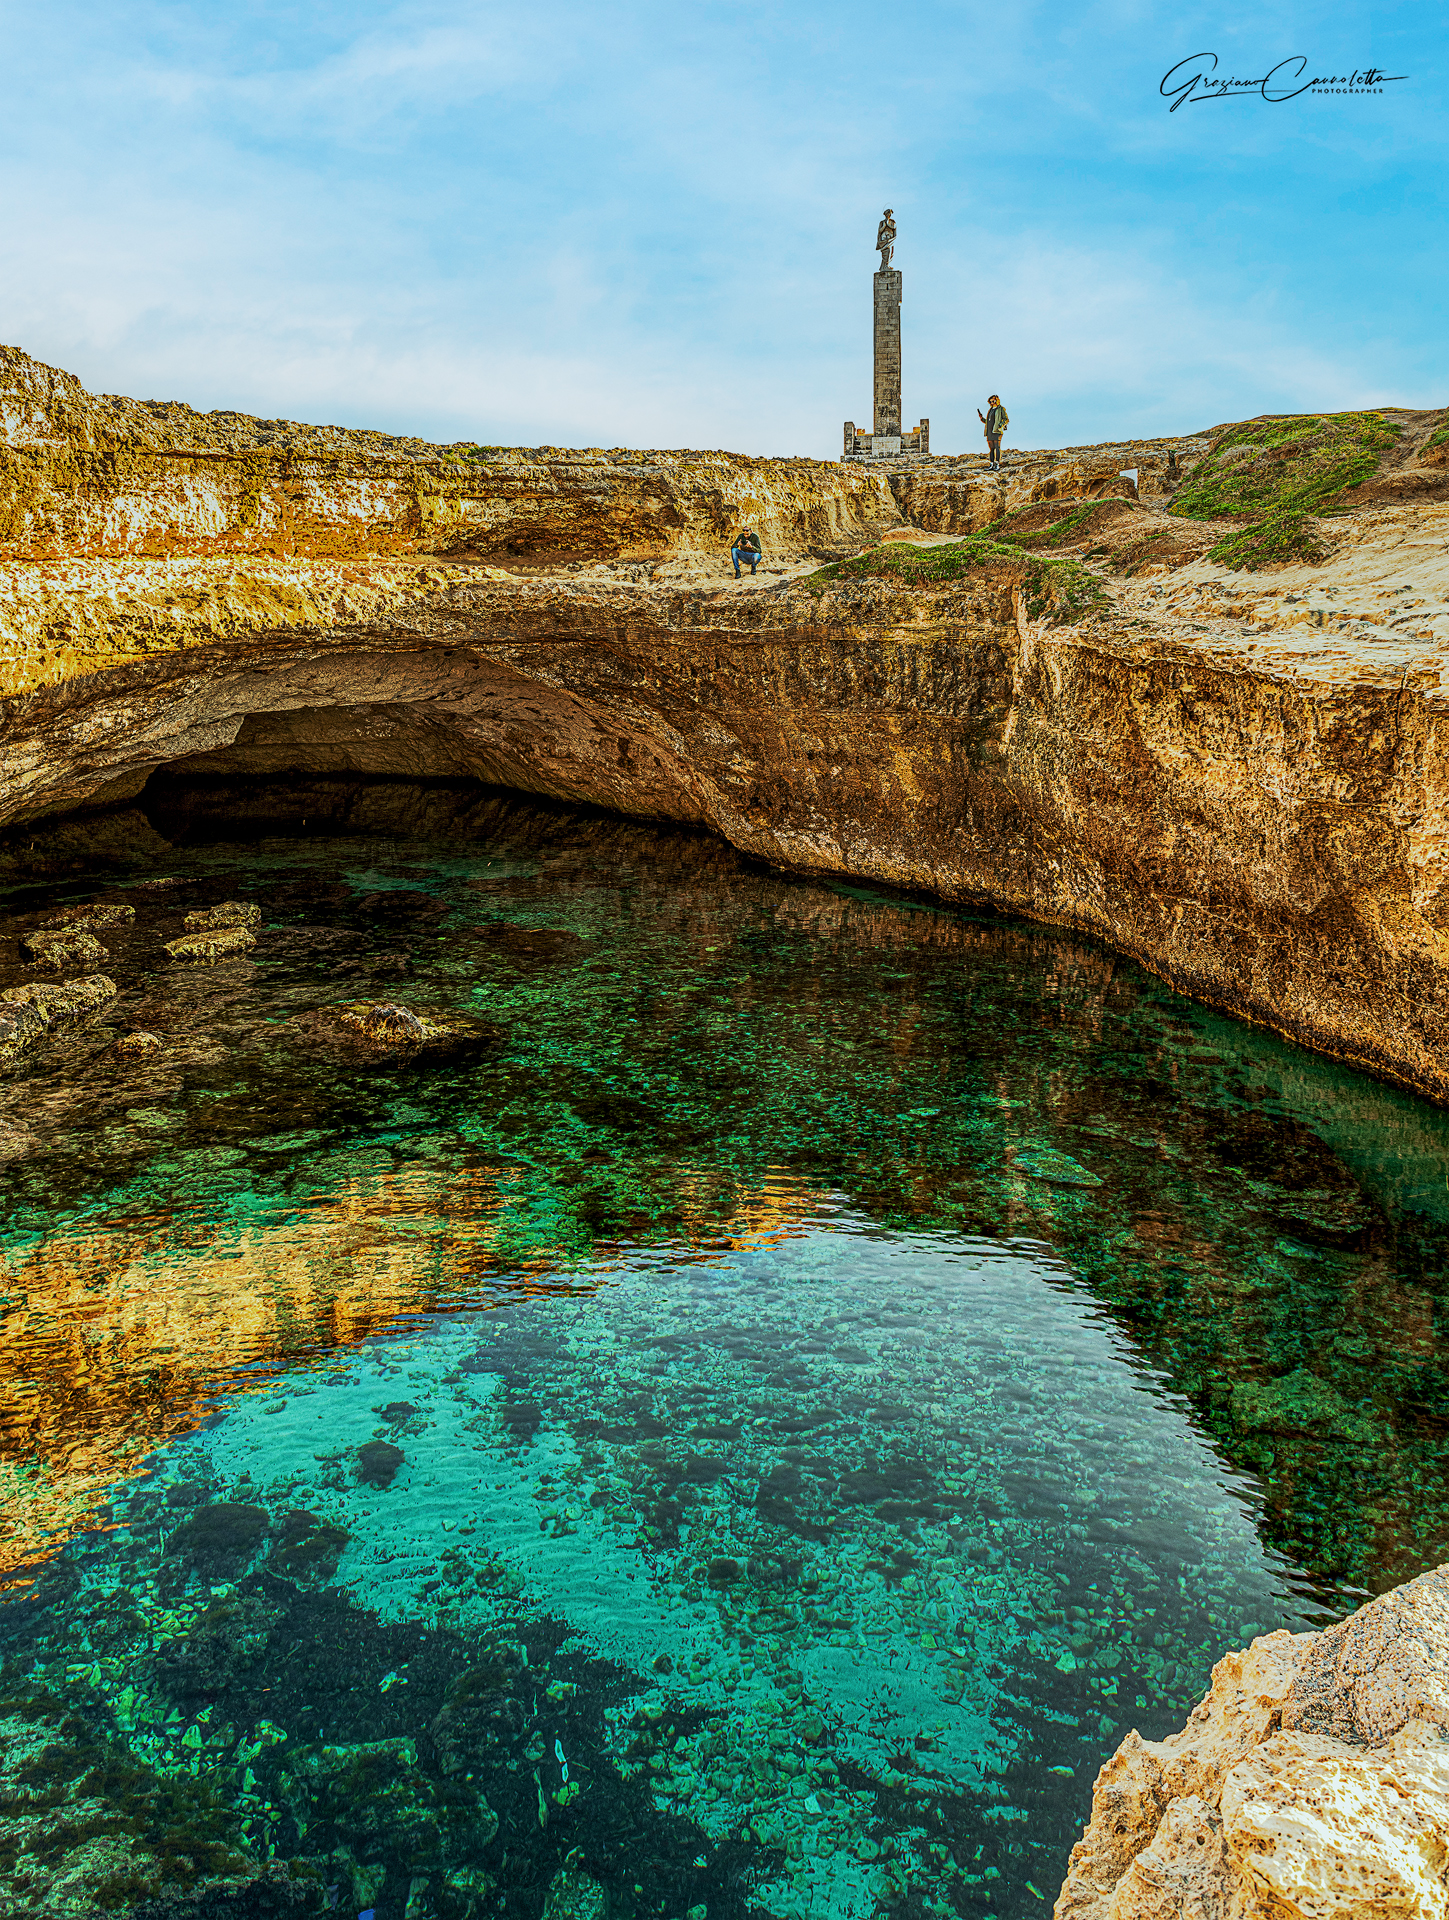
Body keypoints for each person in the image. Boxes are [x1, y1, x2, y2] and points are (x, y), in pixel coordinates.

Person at [977, 395, 1009, 471]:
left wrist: (1000, 425)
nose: (992, 402)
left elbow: (1006, 419)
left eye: (993, 401)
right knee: (991, 448)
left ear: (997, 400)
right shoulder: (990, 410)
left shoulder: (1001, 409)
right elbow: (988, 422)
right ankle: (991, 464)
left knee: (997, 447)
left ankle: (997, 463)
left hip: (997, 431)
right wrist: (982, 419)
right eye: (990, 401)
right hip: (989, 431)